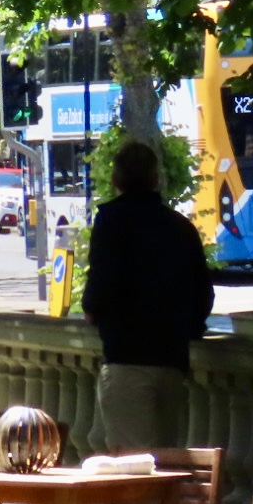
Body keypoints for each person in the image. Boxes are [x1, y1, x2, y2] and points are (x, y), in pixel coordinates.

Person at [82, 141, 214, 452]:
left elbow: (101, 282)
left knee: (134, 468)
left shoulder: (111, 221)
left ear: (115, 180)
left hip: (126, 356)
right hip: (172, 359)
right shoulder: (181, 228)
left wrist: (93, 310)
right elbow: (203, 293)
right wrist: (189, 329)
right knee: (167, 460)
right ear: (157, 179)